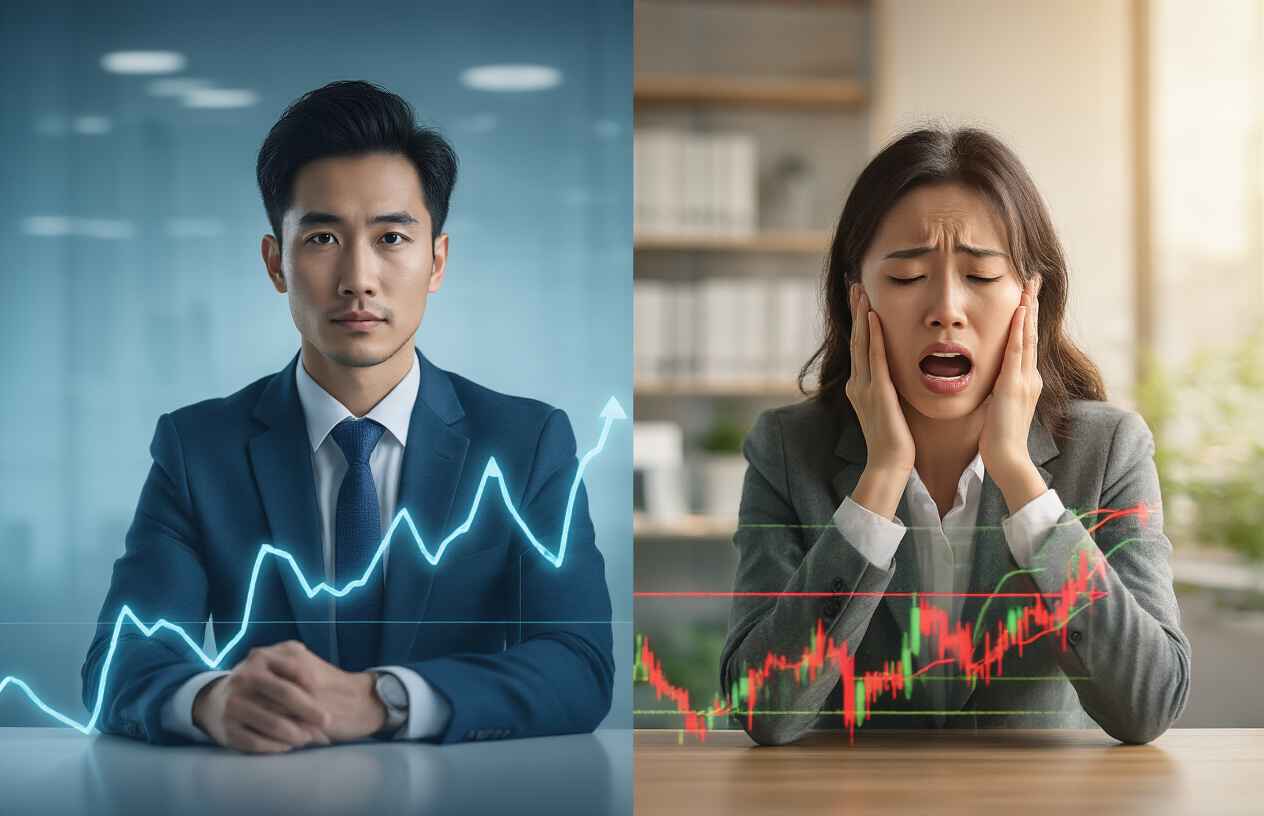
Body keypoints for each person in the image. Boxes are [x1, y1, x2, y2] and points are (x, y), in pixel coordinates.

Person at [81, 80, 614, 752]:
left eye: (392, 236)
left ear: (437, 261)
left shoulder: (527, 444)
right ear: (276, 262)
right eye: (323, 237)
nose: (358, 277)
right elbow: (119, 665)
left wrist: (383, 699)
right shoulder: (197, 449)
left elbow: (579, 665)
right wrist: (212, 701)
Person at [720, 128, 1190, 746]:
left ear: (1031, 296)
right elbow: (763, 710)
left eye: (982, 275)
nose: (946, 307)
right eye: (909, 275)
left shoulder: (1109, 452)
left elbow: (1148, 706)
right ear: (856, 297)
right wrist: (880, 480)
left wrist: (1021, 480)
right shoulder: (785, 450)